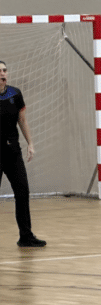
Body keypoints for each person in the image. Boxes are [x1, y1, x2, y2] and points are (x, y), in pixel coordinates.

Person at [0, 60, 46, 248]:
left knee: (22, 192)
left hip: (12, 152)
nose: (2, 73)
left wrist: (30, 143)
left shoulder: (15, 93)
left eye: (4, 70)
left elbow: (22, 120)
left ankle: (26, 236)